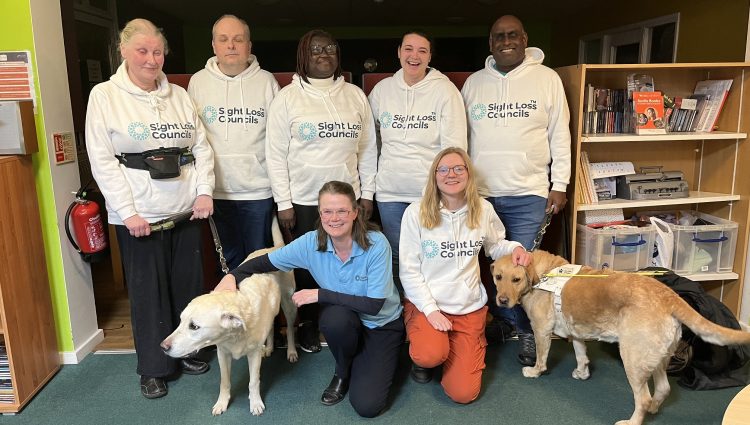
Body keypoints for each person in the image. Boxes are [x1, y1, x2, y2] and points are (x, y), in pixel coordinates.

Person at [85, 18, 215, 399]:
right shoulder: (105, 96)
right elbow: (103, 159)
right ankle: (154, 367)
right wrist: (128, 212)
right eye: (142, 50)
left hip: (186, 210)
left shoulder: (179, 95)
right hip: (140, 215)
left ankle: (186, 350)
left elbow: (201, 148)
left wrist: (204, 193)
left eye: (157, 51)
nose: (151, 58)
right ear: (123, 51)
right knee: (148, 293)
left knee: (186, 289)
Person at [214, 181, 403, 417]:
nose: (334, 218)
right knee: (334, 319)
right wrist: (232, 276)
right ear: (320, 213)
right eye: (327, 211)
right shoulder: (311, 242)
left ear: (355, 212)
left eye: (342, 210)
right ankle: (342, 372)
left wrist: (319, 294)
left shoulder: (376, 244)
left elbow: (374, 306)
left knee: (367, 405)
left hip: (381, 324)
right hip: (346, 319)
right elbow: (266, 261)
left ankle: (379, 357)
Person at [460, 15, 571, 366]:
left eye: (512, 35)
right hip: (482, 195)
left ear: (524, 38)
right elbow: (462, 139)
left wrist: (561, 184)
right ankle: (509, 323)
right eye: (498, 36)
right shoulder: (474, 84)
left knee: (525, 270)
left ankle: (528, 333)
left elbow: (561, 135)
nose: (505, 41)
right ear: (490, 43)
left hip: (530, 193)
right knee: (492, 268)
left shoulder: (547, 79)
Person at [266, 29, 378, 353]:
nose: (323, 53)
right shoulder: (287, 98)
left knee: (350, 261)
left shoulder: (355, 95)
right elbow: (275, 154)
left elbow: (368, 149)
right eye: (315, 49)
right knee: (308, 266)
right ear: (303, 55)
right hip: (303, 200)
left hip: (349, 201)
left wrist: (367, 194)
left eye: (329, 47)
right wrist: (283, 202)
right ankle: (309, 324)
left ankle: (346, 318)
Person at [399, 147, 531, 403]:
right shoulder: (415, 213)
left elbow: (495, 245)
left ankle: (454, 346)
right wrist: (430, 310)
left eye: (459, 168)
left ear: (469, 174)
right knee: (429, 354)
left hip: (468, 307)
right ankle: (431, 351)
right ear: (434, 175)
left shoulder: (482, 209)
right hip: (430, 305)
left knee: (464, 394)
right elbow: (409, 270)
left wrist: (515, 248)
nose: (452, 174)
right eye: (444, 169)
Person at [368, 30, 467, 292]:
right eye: (409, 49)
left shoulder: (445, 91)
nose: (415, 56)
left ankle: (430, 311)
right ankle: (405, 311)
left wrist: (448, 190)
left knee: (431, 255)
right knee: (398, 256)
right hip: (390, 194)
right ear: (399, 52)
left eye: (422, 51)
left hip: (429, 193)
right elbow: (370, 141)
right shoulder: (382, 90)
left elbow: (454, 147)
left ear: (430, 56)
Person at [188, 14, 279, 271]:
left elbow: (278, 140)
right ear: (214, 45)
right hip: (216, 192)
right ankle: (230, 311)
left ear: (249, 46)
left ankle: (258, 313)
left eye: (238, 40)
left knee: (259, 261)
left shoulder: (267, 82)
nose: (231, 46)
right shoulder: (198, 82)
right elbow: (193, 139)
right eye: (224, 39)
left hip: (259, 190)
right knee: (226, 261)